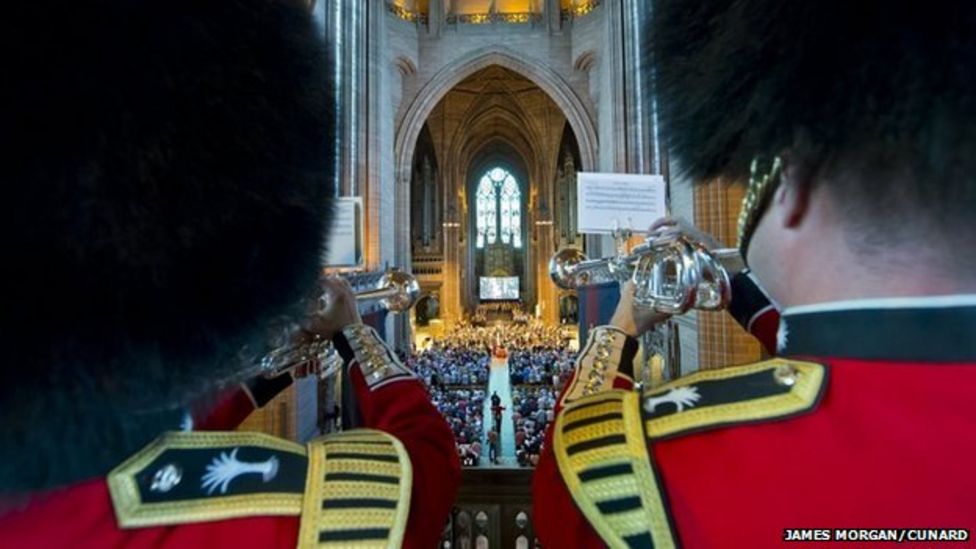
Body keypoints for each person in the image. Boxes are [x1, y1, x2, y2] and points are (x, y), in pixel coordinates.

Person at [0, 2, 460, 547]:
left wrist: (265, 371)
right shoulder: (283, 519)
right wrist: (353, 332)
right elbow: (426, 464)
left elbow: (170, 443)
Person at [533, 1, 976, 547]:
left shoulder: (663, 465)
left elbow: (566, 501)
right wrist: (737, 291)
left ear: (792, 187)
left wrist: (621, 325)